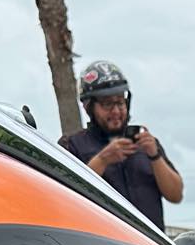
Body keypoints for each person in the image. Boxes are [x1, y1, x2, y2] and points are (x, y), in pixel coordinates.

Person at [59, 60, 184, 229]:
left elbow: (175, 195)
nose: (116, 111)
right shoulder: (72, 145)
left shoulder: (146, 143)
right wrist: (102, 160)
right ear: (89, 107)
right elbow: (66, 198)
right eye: (107, 104)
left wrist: (155, 156)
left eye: (120, 102)